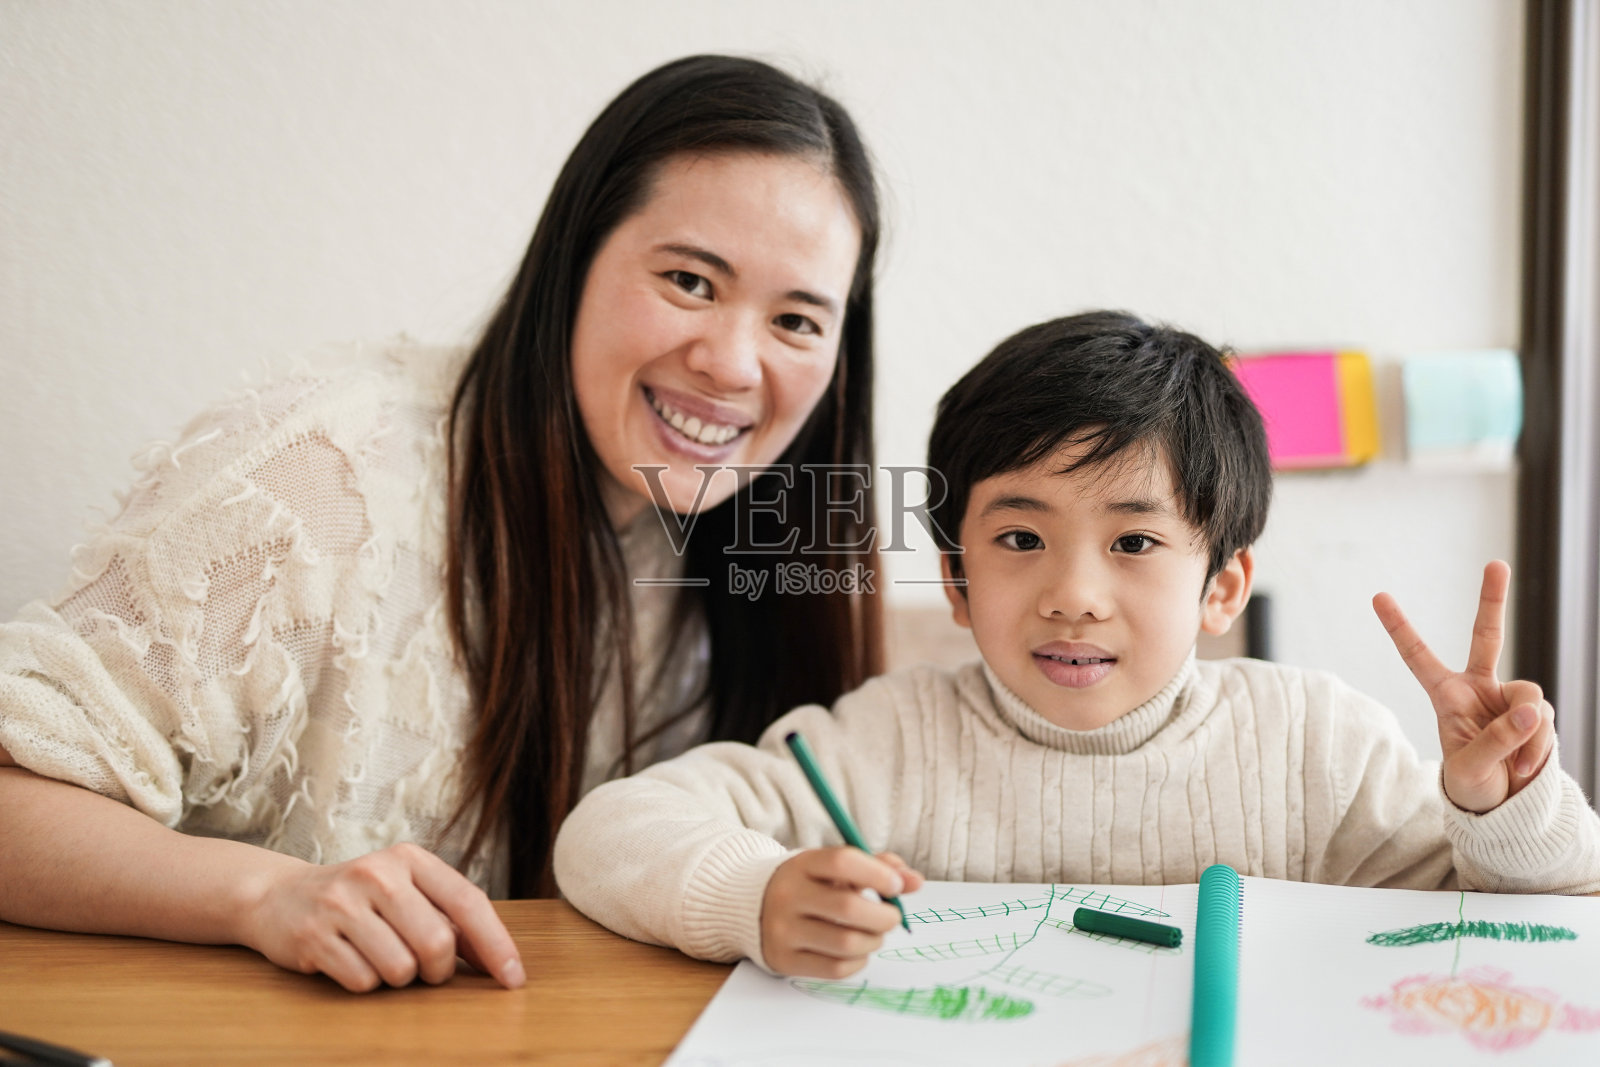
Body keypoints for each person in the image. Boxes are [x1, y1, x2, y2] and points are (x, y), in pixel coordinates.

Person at [0, 55, 884, 993]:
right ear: (574, 255)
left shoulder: (772, 554)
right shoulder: (324, 472)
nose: (733, 364)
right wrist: (266, 896)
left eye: (796, 321)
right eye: (691, 281)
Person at [552, 310, 1600, 978]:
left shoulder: (1311, 745)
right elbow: (606, 833)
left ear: (1221, 583)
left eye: (1135, 539)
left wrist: (1499, 805)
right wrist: (755, 895)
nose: (1073, 594)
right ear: (957, 580)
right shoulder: (887, 742)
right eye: (1018, 537)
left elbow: (1562, 921)